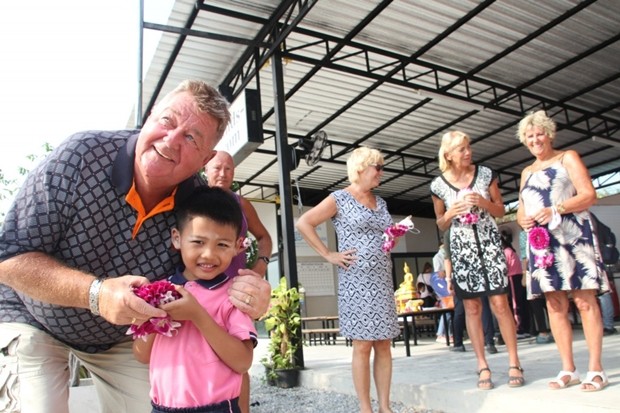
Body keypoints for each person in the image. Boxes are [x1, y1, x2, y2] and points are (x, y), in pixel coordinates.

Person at [0, 79, 271, 413]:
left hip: (122, 338)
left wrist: (254, 292)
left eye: (191, 138)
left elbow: (217, 272)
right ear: (151, 114)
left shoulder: (197, 205)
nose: (171, 141)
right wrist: (96, 294)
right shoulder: (81, 155)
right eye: (167, 121)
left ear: (206, 157)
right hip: (34, 317)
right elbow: (9, 257)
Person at [296, 146, 400, 413]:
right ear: (360, 169)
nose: (381, 172)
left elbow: (383, 234)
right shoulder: (339, 198)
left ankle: (385, 407)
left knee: (384, 343)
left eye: (381, 167)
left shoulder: (382, 202)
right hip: (356, 281)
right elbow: (304, 222)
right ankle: (366, 408)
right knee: (363, 344)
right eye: (377, 167)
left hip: (382, 278)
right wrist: (328, 254)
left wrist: (392, 238)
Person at [133, 187, 256, 413]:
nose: (209, 254)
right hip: (162, 407)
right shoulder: (159, 291)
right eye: (198, 242)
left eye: (222, 244)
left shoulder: (233, 295)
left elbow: (242, 362)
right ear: (177, 239)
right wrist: (154, 316)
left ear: (238, 246)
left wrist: (198, 315)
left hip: (216, 408)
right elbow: (141, 355)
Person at [516, 110, 610, 392]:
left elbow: (588, 195)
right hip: (544, 243)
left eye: (539, 134)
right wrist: (523, 219)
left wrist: (557, 208)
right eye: (529, 136)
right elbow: (522, 206)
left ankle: (596, 369)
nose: (535, 140)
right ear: (525, 141)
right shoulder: (526, 172)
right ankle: (568, 368)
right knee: (554, 304)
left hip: (573, 235)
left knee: (584, 300)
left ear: (550, 134)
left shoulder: (567, 157)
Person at [430, 130, 524, 390]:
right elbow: (440, 223)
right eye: (461, 149)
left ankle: (514, 362)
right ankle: (482, 364)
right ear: (448, 155)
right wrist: (451, 212)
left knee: (500, 304)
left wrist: (483, 202)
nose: (468, 152)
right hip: (462, 251)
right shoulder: (438, 186)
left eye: (468, 146)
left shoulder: (486, 173)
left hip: (490, 245)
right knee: (471, 308)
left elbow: (501, 209)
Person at [205, 150, 273, 413]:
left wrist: (259, 268)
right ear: (205, 169)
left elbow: (264, 238)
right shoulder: (193, 199)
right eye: (217, 168)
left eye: (229, 169)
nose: (222, 174)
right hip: (201, 291)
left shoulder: (241, 204)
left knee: (240, 361)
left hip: (236, 293)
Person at [500, 231, 530, 338]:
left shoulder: (506, 252)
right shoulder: (511, 250)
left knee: (515, 304)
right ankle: (524, 327)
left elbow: (504, 268)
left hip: (512, 278)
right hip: (516, 277)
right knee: (520, 302)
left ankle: (519, 328)